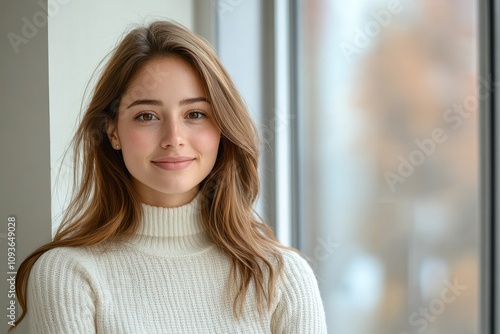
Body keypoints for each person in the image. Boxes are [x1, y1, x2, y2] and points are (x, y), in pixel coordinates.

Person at [12, 21, 327, 333]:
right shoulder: (67, 275)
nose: (174, 138)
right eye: (146, 116)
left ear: (222, 127)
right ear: (112, 132)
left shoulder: (282, 277)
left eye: (195, 114)